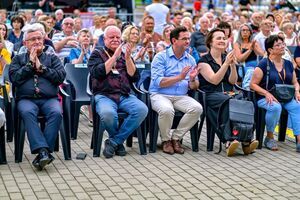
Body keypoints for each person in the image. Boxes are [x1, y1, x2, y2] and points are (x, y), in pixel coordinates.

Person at [9, 24, 66, 170]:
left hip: (49, 99)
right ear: (25, 43)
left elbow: (60, 77)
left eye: (39, 38)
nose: (37, 42)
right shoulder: (18, 59)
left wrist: (42, 68)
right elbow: (15, 78)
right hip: (26, 99)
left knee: (56, 112)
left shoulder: (52, 58)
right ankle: (44, 151)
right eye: (32, 39)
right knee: (28, 113)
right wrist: (29, 64)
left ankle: (42, 152)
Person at [88, 26, 148, 159]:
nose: (115, 40)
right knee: (108, 114)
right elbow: (98, 73)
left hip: (124, 95)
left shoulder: (125, 54)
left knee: (142, 109)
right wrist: (114, 57)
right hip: (104, 95)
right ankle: (118, 143)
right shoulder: (97, 53)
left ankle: (114, 141)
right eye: (112, 37)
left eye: (117, 37)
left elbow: (135, 77)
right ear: (104, 39)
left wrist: (127, 59)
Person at [197, 28, 258, 156]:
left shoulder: (226, 57)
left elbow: (233, 81)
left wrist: (232, 66)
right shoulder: (204, 61)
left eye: (224, 38)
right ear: (210, 42)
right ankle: (229, 140)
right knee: (230, 102)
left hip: (228, 94)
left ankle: (246, 139)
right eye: (218, 38)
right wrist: (225, 64)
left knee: (243, 100)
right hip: (211, 95)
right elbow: (214, 80)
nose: (222, 40)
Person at [149, 26, 202, 155]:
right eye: (184, 39)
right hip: (160, 94)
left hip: (180, 96)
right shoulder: (160, 57)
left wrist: (193, 79)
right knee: (167, 110)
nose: (188, 41)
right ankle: (165, 140)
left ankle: (175, 138)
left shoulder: (190, 59)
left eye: (188, 38)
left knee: (197, 108)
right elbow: (159, 82)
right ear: (174, 41)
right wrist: (180, 77)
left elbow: (194, 87)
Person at [250, 35, 300, 152]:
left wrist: (297, 91)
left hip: (286, 97)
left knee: (298, 106)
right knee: (275, 107)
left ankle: (298, 140)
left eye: (282, 44)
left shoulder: (288, 63)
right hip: (265, 98)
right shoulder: (263, 64)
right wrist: (266, 93)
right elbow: (252, 84)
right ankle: (269, 137)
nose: (282, 46)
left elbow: (295, 82)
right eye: (278, 45)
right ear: (270, 50)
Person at [233, 23, 264, 88]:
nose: (245, 32)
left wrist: (255, 48)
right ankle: (247, 88)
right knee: (251, 71)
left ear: (250, 32)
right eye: (243, 30)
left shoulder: (254, 42)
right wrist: (250, 50)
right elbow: (239, 59)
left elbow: (262, 55)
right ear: (240, 33)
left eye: (247, 30)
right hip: (244, 67)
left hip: (256, 66)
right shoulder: (237, 44)